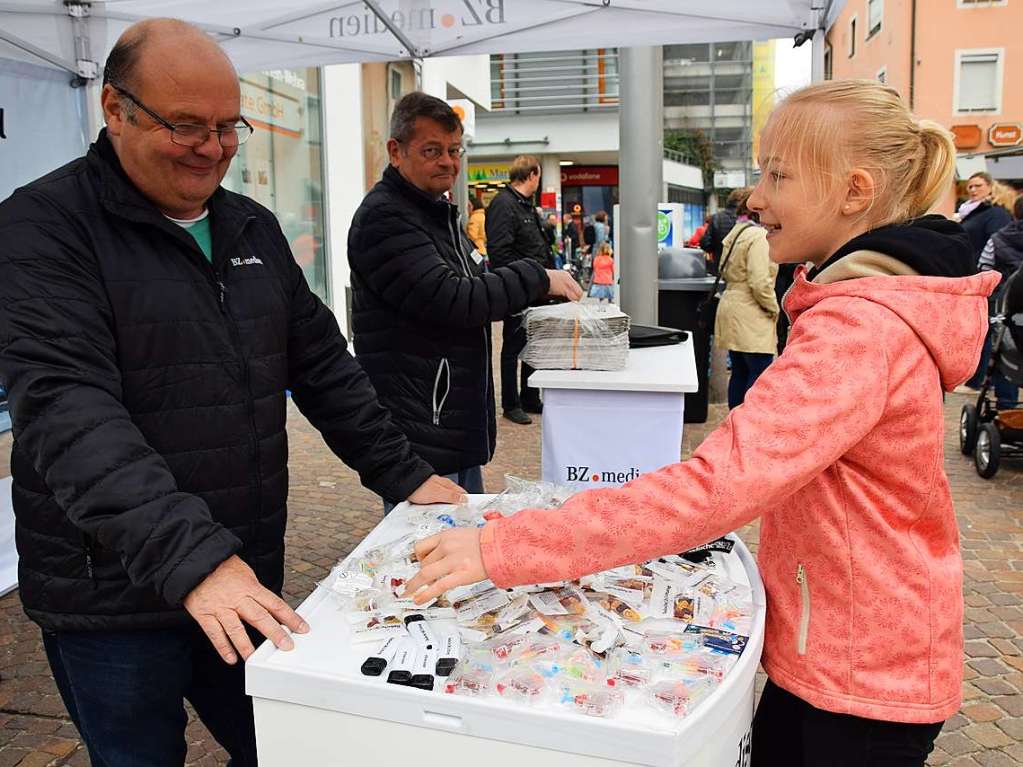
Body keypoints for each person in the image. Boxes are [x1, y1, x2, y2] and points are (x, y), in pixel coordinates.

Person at [405, 79, 998, 767]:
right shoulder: (859, 305)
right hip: (842, 650)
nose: (755, 196)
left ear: (853, 191)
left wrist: (507, 547)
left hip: (860, 674)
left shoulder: (860, 328)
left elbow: (713, 488)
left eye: (777, 174)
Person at [0, 20, 465, 767]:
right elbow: (68, 410)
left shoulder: (251, 224)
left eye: (227, 127)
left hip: (241, 574)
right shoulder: (43, 227)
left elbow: (322, 365)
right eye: (185, 125)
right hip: (113, 598)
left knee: (279, 747)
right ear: (114, 110)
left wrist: (405, 475)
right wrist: (194, 559)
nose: (212, 147)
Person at [348, 96, 582, 505]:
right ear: (395, 151)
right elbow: (455, 298)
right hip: (421, 425)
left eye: (454, 151)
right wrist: (537, 277)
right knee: (429, 548)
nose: (448, 162)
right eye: (432, 151)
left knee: (461, 537)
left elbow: (472, 282)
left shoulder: (434, 211)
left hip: (447, 417)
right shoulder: (385, 218)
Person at [486, 155, 563, 425]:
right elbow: (499, 251)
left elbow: (536, 245)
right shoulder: (504, 205)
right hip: (518, 288)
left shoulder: (525, 206)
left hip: (537, 289)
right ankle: (511, 403)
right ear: (531, 175)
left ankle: (530, 397)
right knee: (513, 347)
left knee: (534, 345)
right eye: (538, 176)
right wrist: (520, 279)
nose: (539, 181)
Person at [713, 191, 779, 408]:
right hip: (752, 313)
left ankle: (734, 424)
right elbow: (759, 280)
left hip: (733, 306)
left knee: (740, 372)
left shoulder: (738, 232)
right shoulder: (759, 237)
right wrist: (773, 307)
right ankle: (751, 428)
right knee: (759, 375)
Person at [958, 172, 1013, 391]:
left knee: (987, 330)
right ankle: (977, 379)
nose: (972, 190)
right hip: (974, 278)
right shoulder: (972, 212)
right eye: (970, 186)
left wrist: (986, 272)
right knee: (980, 330)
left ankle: (979, 381)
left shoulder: (994, 213)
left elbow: (998, 245)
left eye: (977, 186)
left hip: (990, 280)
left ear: (990, 187)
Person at [976, 193, 1023, 408]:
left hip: (1008, 304)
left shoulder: (998, 239)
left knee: (1005, 351)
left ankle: (1006, 408)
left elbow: (984, 268)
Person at [700, 187, 745, 274]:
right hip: (742, 269)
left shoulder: (717, 218)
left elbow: (705, 244)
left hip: (721, 267)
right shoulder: (750, 218)